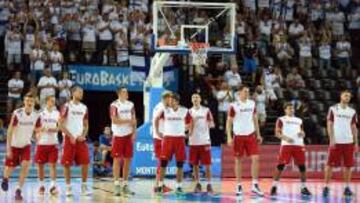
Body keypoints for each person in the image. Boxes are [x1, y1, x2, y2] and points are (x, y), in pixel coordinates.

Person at [1, 92, 41, 201]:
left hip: (26, 145)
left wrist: (38, 137)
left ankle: (18, 190)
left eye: (31, 101)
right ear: (24, 101)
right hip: (14, 145)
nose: (29, 103)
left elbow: (37, 131)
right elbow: (9, 131)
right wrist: (8, 148)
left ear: (34, 102)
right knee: (10, 169)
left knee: (26, 165)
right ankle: (5, 178)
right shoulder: (18, 113)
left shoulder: (36, 115)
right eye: (27, 100)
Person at [226, 85, 263, 197]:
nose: (247, 93)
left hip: (251, 135)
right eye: (245, 92)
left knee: (256, 158)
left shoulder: (252, 104)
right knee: (238, 160)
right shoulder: (233, 106)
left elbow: (255, 119)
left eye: (248, 92)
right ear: (239, 93)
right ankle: (239, 185)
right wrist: (229, 136)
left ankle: (255, 185)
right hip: (238, 136)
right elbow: (229, 122)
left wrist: (258, 134)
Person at [270, 103, 312, 197]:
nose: (291, 110)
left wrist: (303, 134)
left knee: (302, 167)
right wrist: (286, 138)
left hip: (299, 145)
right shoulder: (281, 119)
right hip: (286, 145)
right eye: (289, 109)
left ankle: (303, 187)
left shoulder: (299, 120)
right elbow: (277, 133)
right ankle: (274, 186)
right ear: (285, 110)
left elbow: (302, 132)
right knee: (280, 165)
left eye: (292, 109)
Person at [154, 94, 192, 196]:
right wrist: (157, 132)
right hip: (167, 139)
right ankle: (160, 186)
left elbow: (190, 122)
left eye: (172, 100)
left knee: (179, 165)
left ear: (177, 101)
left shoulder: (184, 111)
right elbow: (156, 119)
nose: (170, 102)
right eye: (169, 100)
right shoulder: (165, 110)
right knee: (163, 164)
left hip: (179, 139)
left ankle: (179, 187)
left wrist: (188, 131)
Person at [323, 90, 358, 198]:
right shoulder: (333, 109)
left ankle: (346, 188)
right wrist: (331, 139)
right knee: (329, 165)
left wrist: (356, 142)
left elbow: (354, 127)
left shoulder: (352, 111)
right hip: (336, 141)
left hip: (348, 142)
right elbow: (329, 124)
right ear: (341, 96)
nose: (347, 97)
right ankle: (326, 187)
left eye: (349, 96)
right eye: (345, 95)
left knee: (348, 166)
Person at [59, 86, 91, 196]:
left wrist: (83, 135)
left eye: (82, 92)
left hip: (80, 139)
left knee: (86, 162)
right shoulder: (66, 106)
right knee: (67, 164)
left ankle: (84, 186)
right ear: (73, 93)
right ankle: (68, 188)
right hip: (69, 139)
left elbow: (86, 125)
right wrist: (70, 136)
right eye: (79, 92)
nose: (81, 93)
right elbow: (60, 124)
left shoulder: (84, 107)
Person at [110, 87, 137, 196]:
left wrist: (134, 132)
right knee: (117, 160)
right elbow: (114, 120)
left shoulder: (131, 104)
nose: (127, 93)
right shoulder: (114, 105)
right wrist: (128, 121)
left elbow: (134, 119)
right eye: (125, 92)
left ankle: (125, 185)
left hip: (128, 135)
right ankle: (116, 185)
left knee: (127, 160)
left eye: (127, 91)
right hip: (118, 135)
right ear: (120, 93)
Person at [189, 93, 215, 193]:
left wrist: (209, 123)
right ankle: (197, 184)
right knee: (195, 165)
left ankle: (209, 184)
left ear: (200, 99)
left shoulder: (206, 110)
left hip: (204, 141)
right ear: (192, 100)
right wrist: (191, 124)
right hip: (193, 141)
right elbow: (186, 126)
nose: (195, 99)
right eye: (193, 97)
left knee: (207, 164)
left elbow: (212, 124)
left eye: (197, 97)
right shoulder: (189, 112)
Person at [34, 95, 60, 196]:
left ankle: (53, 186)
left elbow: (60, 128)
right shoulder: (40, 114)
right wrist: (41, 130)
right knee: (40, 166)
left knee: (53, 165)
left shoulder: (57, 114)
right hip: (42, 143)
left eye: (54, 101)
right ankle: (41, 186)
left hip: (53, 143)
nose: (53, 102)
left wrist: (53, 130)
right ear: (47, 102)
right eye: (51, 101)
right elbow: (35, 129)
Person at [151, 91, 173, 193]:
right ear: (166, 98)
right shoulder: (161, 108)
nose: (171, 100)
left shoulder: (165, 107)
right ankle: (157, 185)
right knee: (161, 162)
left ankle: (160, 184)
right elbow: (155, 120)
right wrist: (158, 133)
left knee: (162, 162)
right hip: (160, 139)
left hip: (164, 138)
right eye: (170, 98)